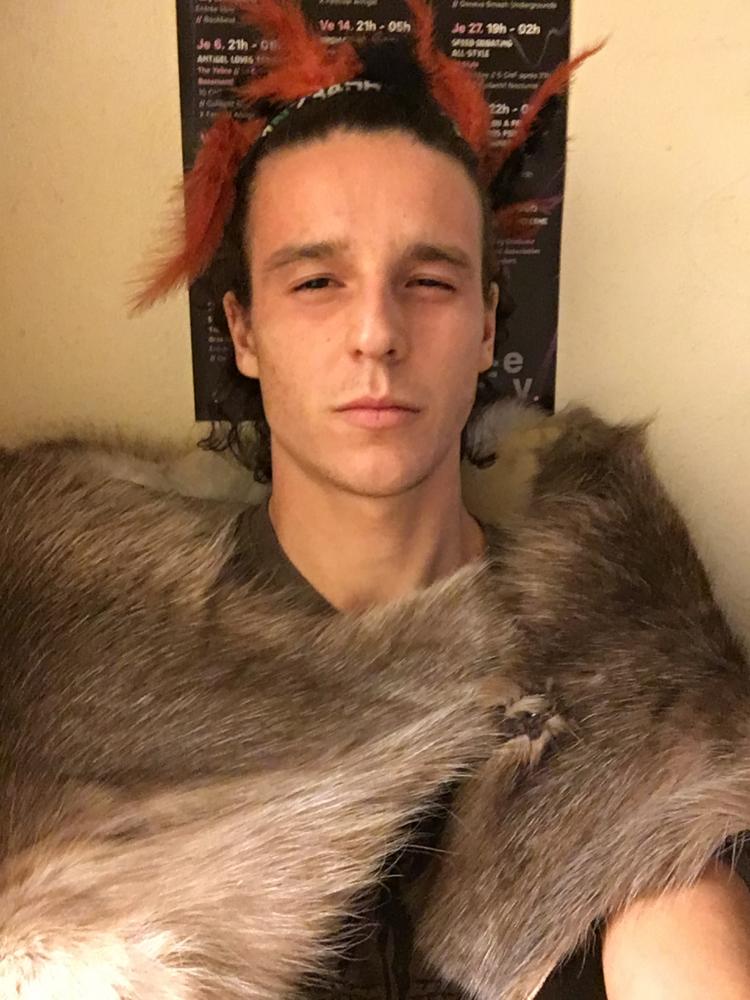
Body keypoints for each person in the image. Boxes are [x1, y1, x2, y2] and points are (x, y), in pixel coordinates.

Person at [136, 2, 750, 996]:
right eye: (317, 282)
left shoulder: (627, 672)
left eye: (426, 280)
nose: (376, 333)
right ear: (243, 331)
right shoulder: (114, 665)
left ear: (485, 326)